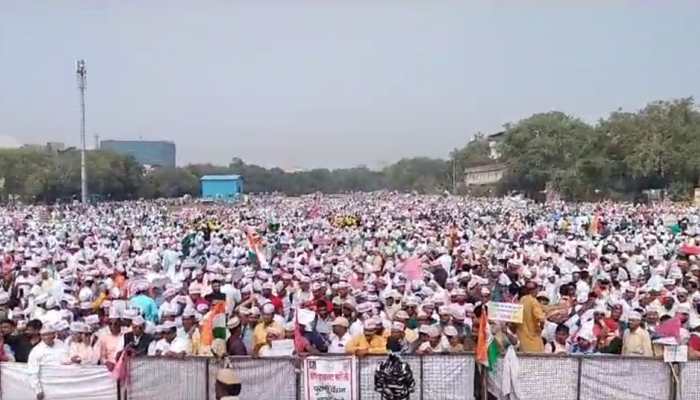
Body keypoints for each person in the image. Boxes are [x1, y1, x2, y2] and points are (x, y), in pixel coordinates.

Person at [27, 323, 68, 400]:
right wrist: (38, 390)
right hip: (47, 386)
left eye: (49, 334)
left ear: (54, 335)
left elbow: (67, 359)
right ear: (41, 336)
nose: (47, 337)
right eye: (44, 335)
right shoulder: (36, 350)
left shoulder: (61, 344)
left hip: (64, 384)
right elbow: (32, 371)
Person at [516, 281, 546, 352]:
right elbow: (541, 319)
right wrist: (541, 327)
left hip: (522, 340)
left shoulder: (520, 301)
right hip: (534, 341)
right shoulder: (533, 301)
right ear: (536, 289)